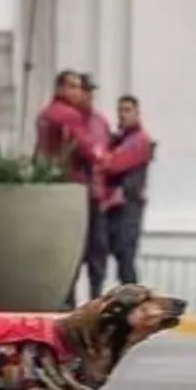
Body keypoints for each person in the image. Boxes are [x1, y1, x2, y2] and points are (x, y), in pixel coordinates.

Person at [100, 95, 156, 285]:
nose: (122, 115)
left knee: (125, 257)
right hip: (116, 206)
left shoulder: (139, 140)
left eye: (127, 110)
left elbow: (114, 163)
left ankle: (133, 302)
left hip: (128, 205)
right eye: (120, 111)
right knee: (116, 254)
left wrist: (103, 157)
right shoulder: (121, 139)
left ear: (137, 113)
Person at [78, 73, 114, 302]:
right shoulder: (70, 120)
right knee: (73, 253)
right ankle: (66, 303)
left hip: (98, 197)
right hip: (76, 195)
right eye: (85, 91)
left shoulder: (100, 122)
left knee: (98, 251)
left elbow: (109, 155)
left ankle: (96, 298)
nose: (88, 96)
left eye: (90, 91)